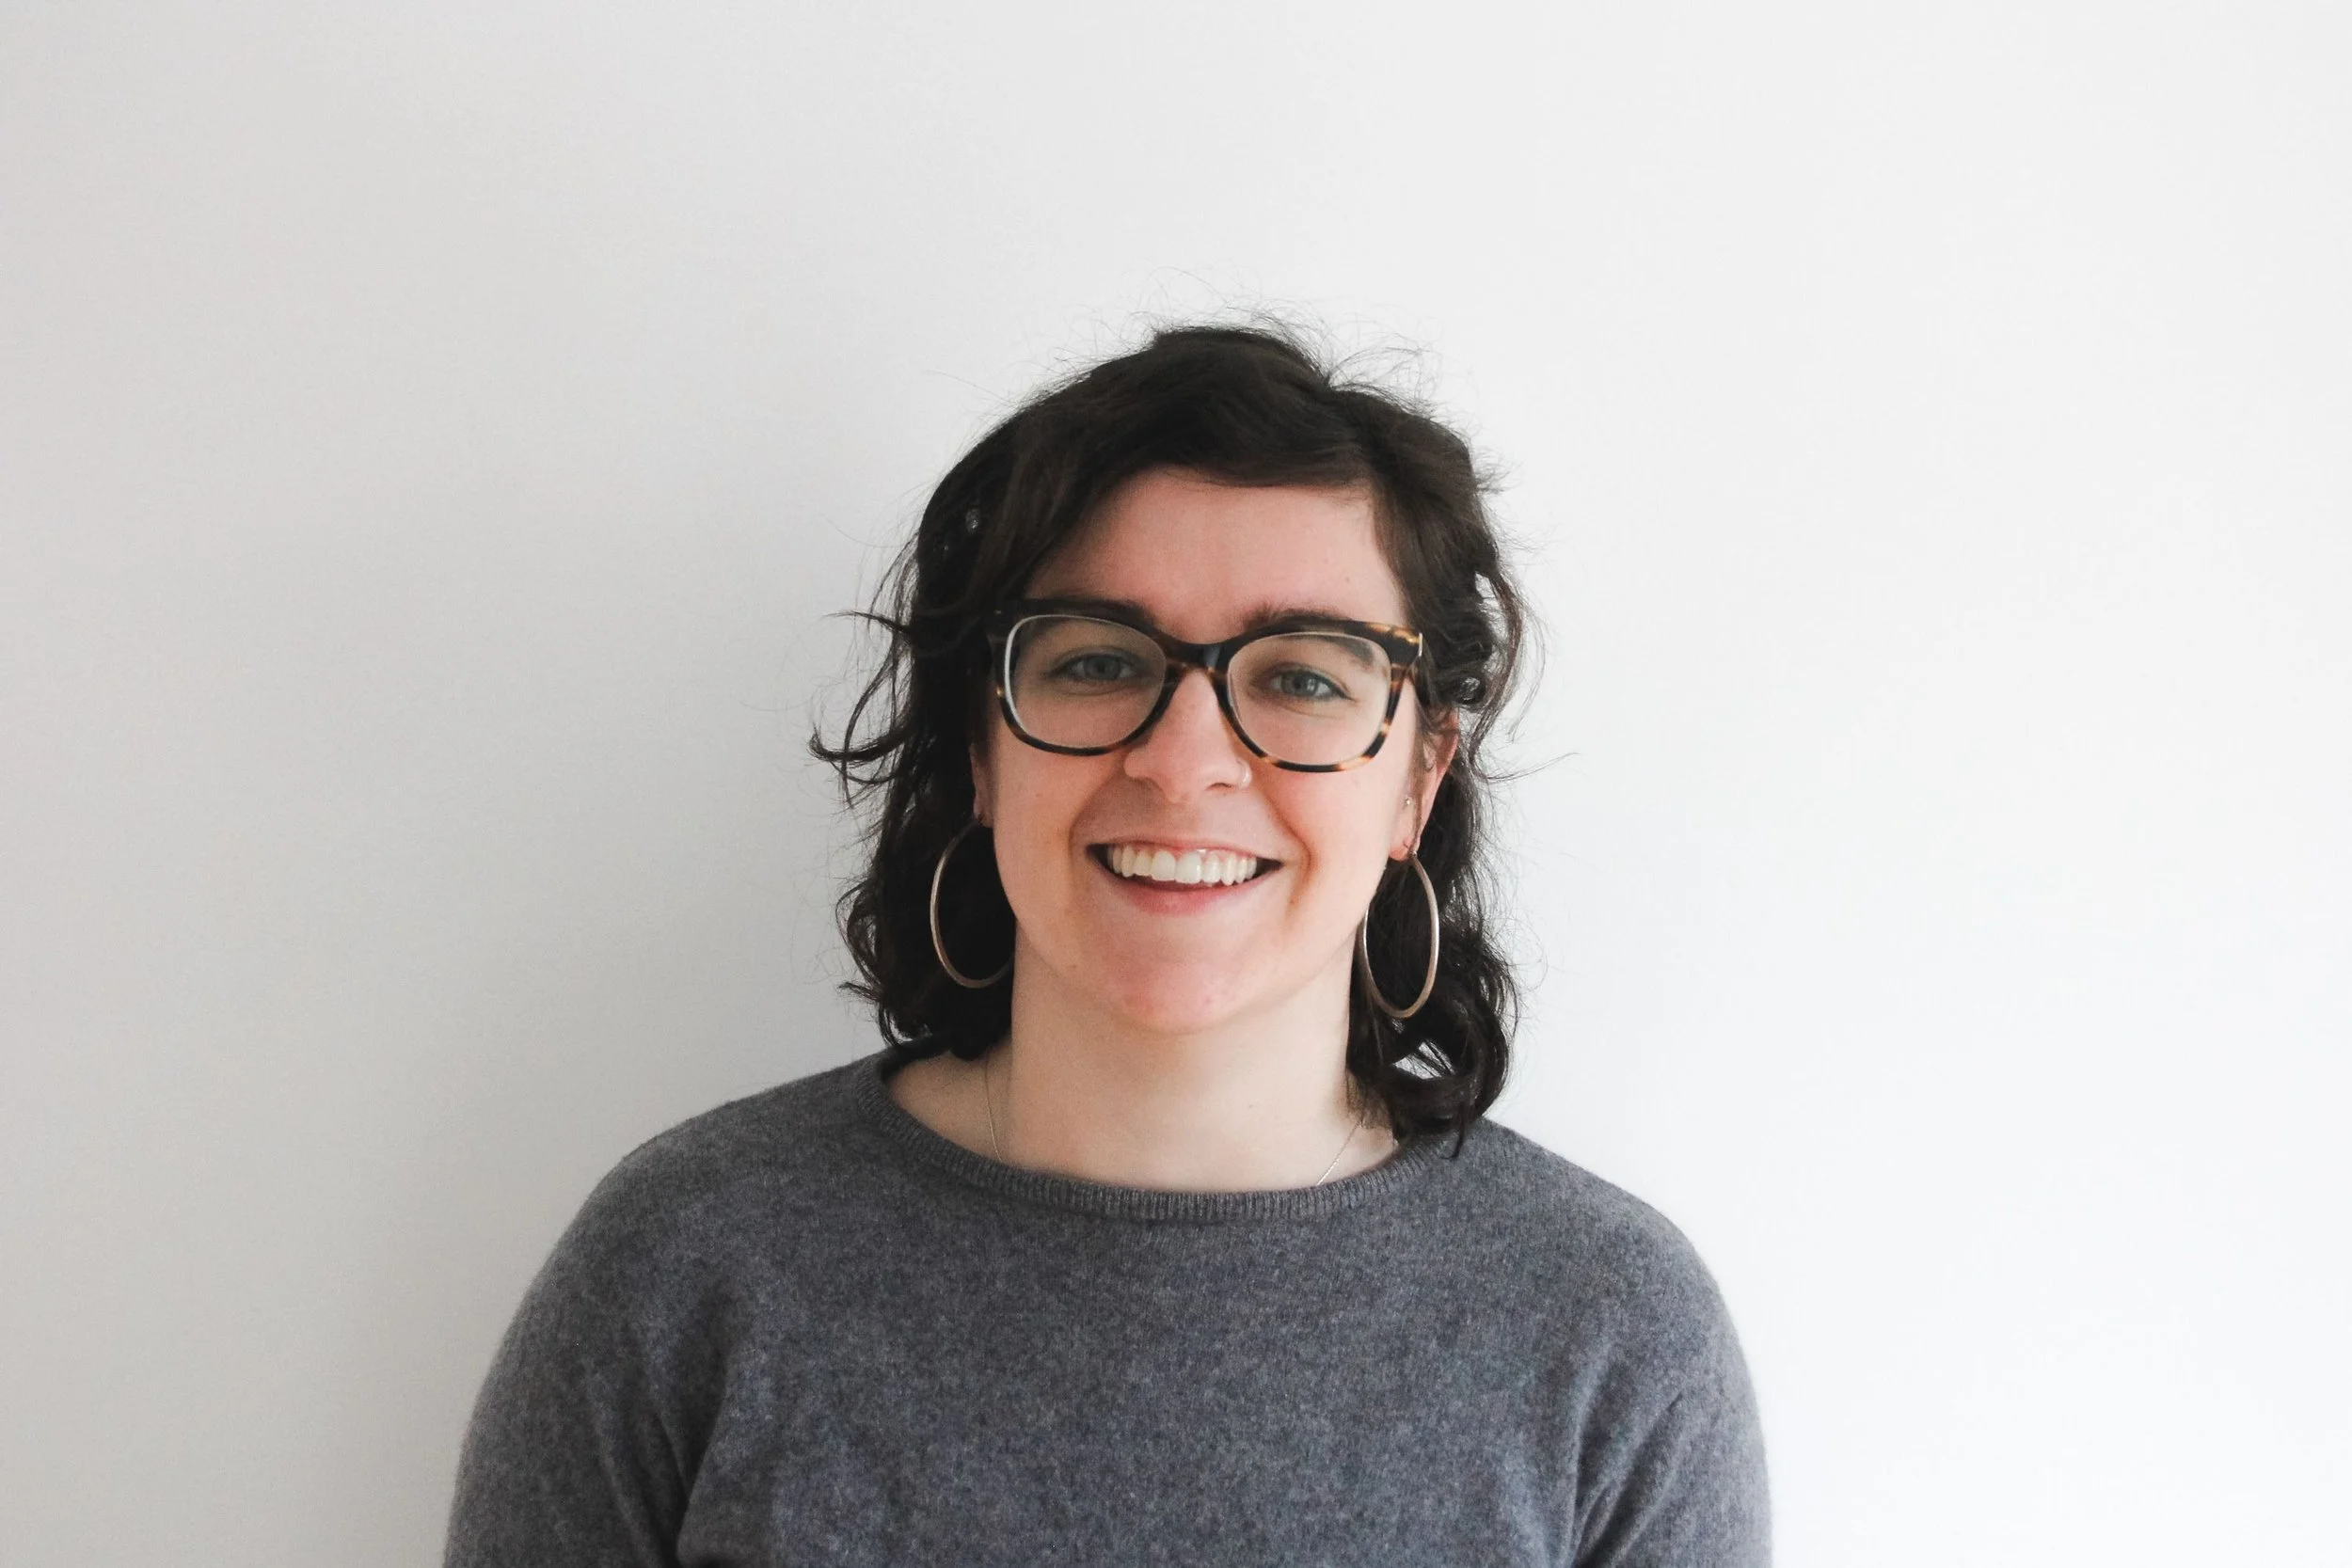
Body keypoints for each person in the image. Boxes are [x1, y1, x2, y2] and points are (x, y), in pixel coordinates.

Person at [443, 324, 1770, 1565]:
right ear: (979, 740)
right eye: (1096, 661)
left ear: (1419, 776)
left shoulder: (1610, 1337)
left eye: (1304, 674)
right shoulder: (686, 1266)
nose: (1184, 760)